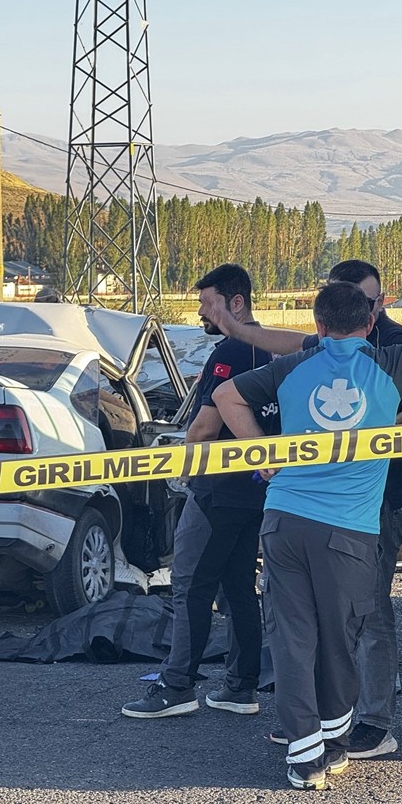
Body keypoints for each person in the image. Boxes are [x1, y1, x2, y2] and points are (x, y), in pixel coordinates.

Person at [206, 260, 402, 759]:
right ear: (371, 320)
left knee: (292, 634)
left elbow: (225, 394)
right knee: (342, 634)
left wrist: (262, 453)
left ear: (319, 325)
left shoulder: (296, 366)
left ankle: (304, 750)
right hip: (349, 529)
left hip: (284, 518)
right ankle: (332, 736)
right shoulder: (392, 362)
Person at [122, 264, 276, 719]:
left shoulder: (230, 349)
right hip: (257, 491)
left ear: (236, 303)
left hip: (217, 490)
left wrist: (188, 460)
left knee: (190, 586)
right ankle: (241, 686)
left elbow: (205, 427)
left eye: (207, 303)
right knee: (239, 588)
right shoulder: (275, 352)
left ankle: (176, 686)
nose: (199, 312)